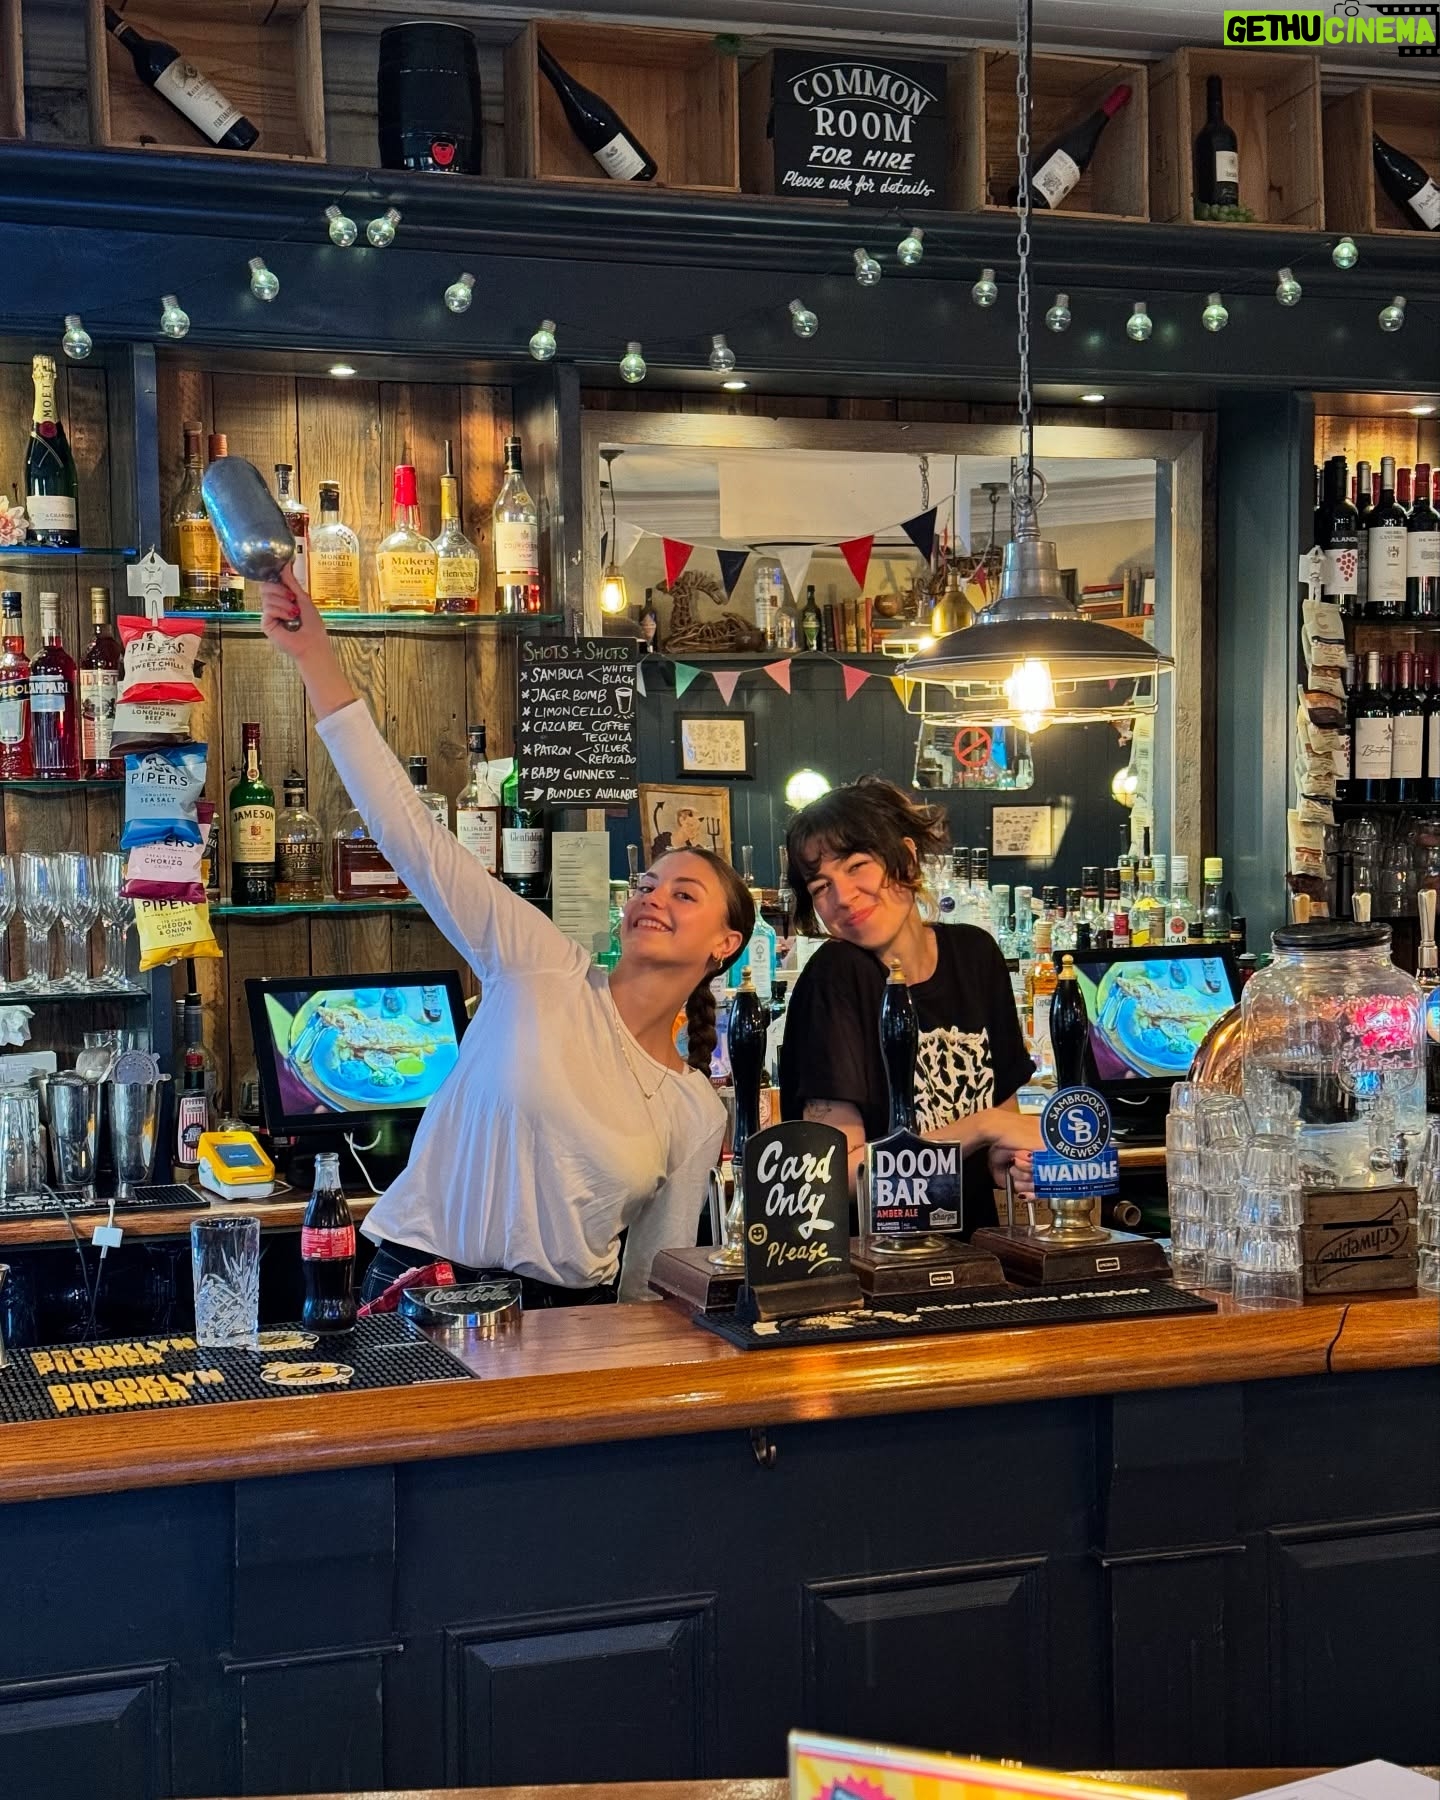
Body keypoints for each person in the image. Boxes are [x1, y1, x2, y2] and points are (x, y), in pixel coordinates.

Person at [259, 567, 754, 1305]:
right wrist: (316, 659)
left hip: (570, 1321)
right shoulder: (542, 967)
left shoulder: (696, 1108)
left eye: (685, 894)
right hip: (425, 1288)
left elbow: (654, 1281)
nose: (654, 898)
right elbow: (412, 836)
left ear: (726, 944)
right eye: (648, 885)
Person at [779, 778, 1040, 1230]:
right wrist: (982, 1127)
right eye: (821, 887)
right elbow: (831, 1177)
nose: (843, 897)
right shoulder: (836, 975)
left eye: (857, 866)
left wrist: (1014, 1162)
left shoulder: (976, 955)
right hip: (873, 1260)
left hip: (974, 1254)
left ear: (907, 858)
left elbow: (1004, 1127)